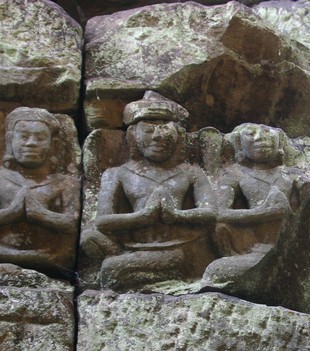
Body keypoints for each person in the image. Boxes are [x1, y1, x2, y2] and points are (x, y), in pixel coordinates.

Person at [82, 91, 216, 287]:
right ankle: (154, 273)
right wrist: (142, 217)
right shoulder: (116, 174)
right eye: (148, 130)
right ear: (132, 135)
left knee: (112, 269)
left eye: (164, 129)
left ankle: (162, 274)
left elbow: (210, 212)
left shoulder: (191, 173)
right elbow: (102, 221)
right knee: (88, 237)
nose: (158, 137)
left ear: (178, 136)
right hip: (133, 244)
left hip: (179, 245)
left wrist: (177, 215)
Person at [0, 107, 80, 272]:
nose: (31, 143)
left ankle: (31, 257)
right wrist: (9, 213)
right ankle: (7, 255)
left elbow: (71, 223)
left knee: (70, 243)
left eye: (40, 138)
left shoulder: (66, 182)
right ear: (9, 142)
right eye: (23, 137)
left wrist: (40, 214)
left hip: (46, 249)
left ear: (54, 145)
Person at [202, 123, 305, 284]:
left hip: (287, 247)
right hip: (251, 248)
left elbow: (307, 217)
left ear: (279, 142)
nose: (260, 139)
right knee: (216, 269)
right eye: (250, 134)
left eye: (267, 133)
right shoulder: (235, 174)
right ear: (239, 145)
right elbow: (219, 213)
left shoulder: (291, 176)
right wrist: (264, 213)